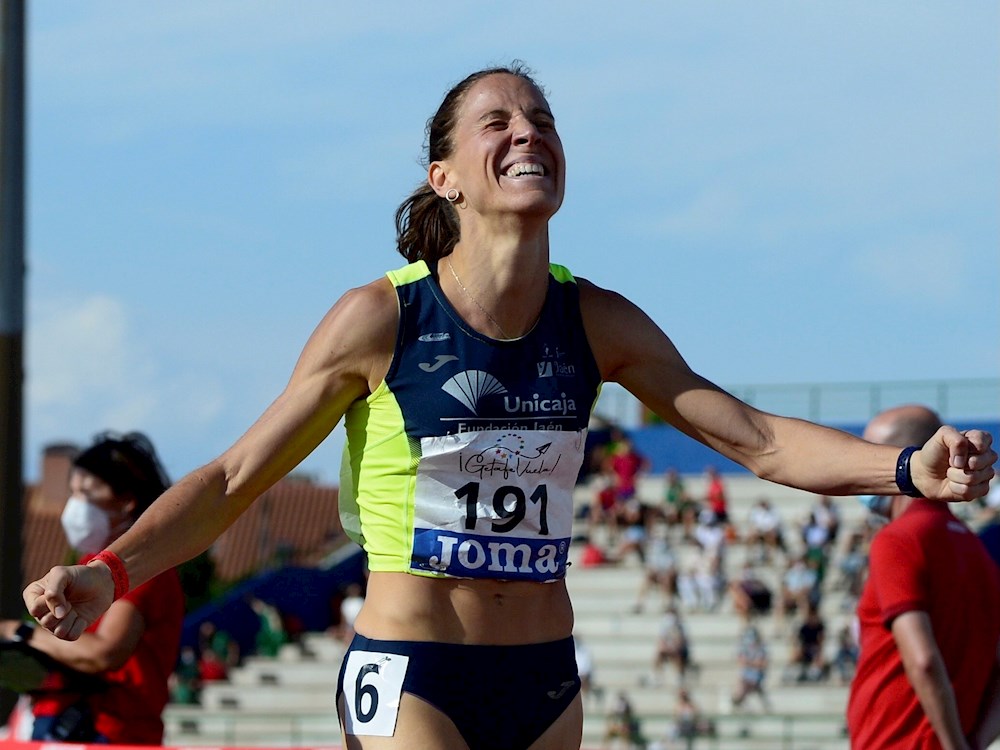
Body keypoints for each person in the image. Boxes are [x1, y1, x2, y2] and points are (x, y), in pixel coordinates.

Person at [21, 63, 996, 750]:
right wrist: (112, 570)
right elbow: (233, 479)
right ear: (443, 177)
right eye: (497, 119)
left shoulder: (599, 322)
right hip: (412, 670)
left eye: (542, 117)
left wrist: (908, 469)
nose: (528, 129)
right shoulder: (377, 320)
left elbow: (763, 441)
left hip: (541, 681)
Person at [1, 432, 183, 744]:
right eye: (73, 492)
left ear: (127, 501)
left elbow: (103, 653)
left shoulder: (142, 569)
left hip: (111, 731)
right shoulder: (90, 563)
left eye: (87, 492)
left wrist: (21, 633)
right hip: (68, 724)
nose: (74, 506)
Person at [846, 405, 1000, 750]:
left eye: (871, 452)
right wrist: (973, 742)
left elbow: (923, 660)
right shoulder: (977, 552)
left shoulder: (899, 540)